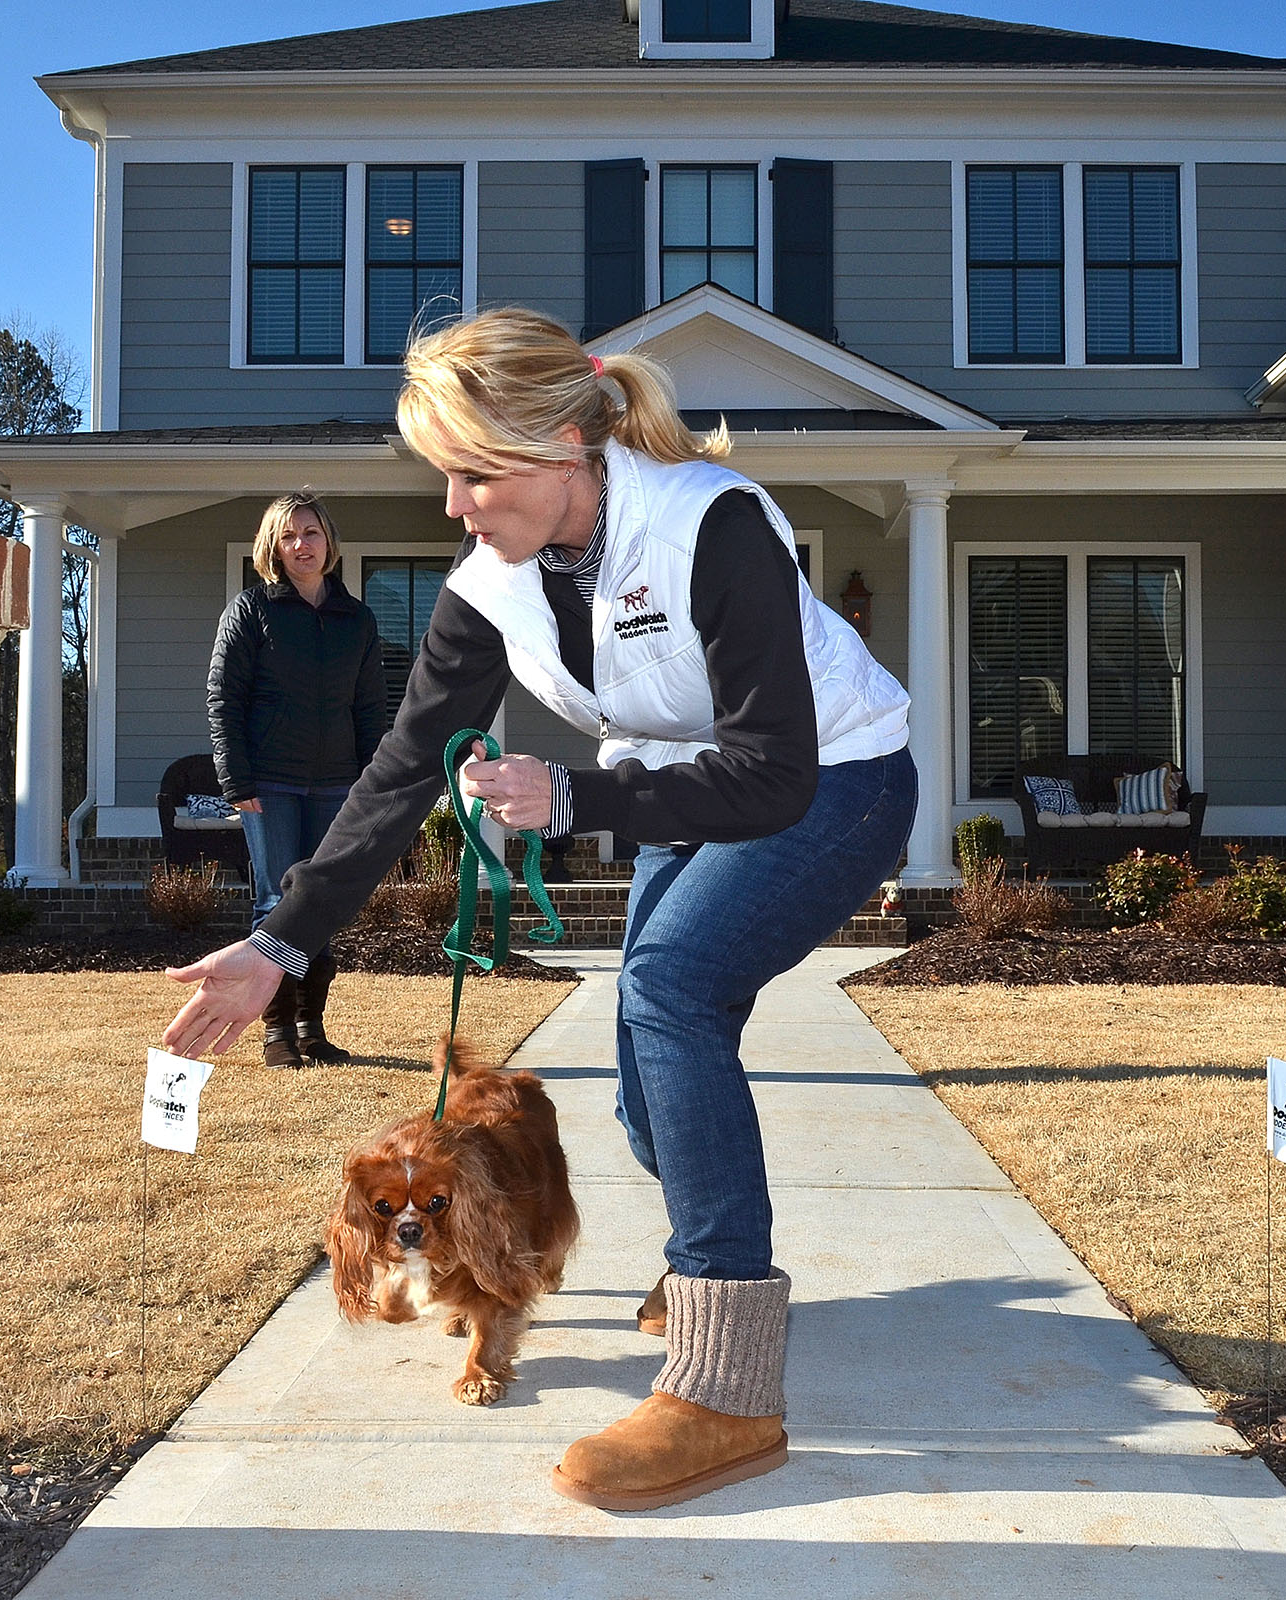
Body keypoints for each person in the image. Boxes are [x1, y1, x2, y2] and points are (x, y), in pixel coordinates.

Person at [164, 307, 916, 1510]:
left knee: (670, 985)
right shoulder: (492, 582)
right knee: (643, 1070)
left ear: (564, 442)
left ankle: (729, 1383)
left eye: (470, 472)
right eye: (443, 477)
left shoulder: (707, 524)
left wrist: (569, 791)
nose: (453, 506)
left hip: (837, 779)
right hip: (683, 782)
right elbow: (400, 769)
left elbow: (775, 766)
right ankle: (702, 1262)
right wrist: (275, 941)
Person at [204, 491, 386, 1068]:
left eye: (310, 532)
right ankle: (277, 1032)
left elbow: (370, 709)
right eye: (288, 535)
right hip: (270, 785)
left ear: (328, 541)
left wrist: (368, 784)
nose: (301, 545)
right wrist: (236, 780)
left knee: (320, 904)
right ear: (272, 548)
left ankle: (312, 1028)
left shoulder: (356, 619)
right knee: (275, 904)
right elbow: (223, 699)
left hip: (337, 786)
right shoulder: (250, 611)